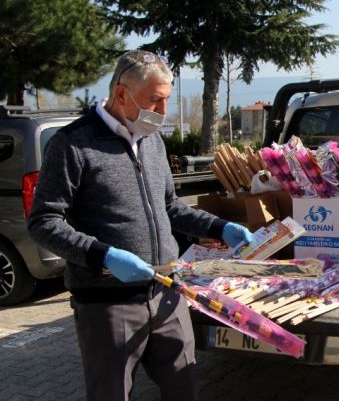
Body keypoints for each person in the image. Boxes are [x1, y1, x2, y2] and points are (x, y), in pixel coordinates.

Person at [28, 50, 254, 401]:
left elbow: (170, 207)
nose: (163, 113)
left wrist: (220, 227)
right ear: (121, 93)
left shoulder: (152, 141)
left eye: (166, 100)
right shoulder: (73, 144)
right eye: (155, 101)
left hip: (167, 294)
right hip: (108, 306)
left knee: (185, 389)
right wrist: (103, 255)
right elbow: (43, 222)